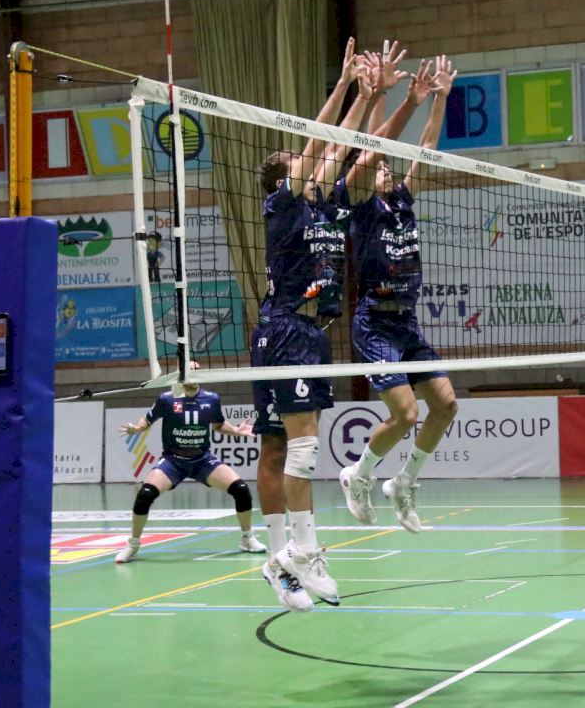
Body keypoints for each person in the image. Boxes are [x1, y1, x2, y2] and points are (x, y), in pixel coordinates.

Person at [252, 40, 375, 612]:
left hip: (302, 331)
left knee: (289, 447)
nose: (314, 165)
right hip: (286, 330)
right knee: (296, 449)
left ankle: (281, 561)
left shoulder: (318, 205)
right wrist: (343, 85)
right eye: (299, 162)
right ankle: (301, 552)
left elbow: (338, 145)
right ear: (286, 178)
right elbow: (319, 140)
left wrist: (366, 96)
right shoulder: (283, 204)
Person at [335, 55, 460, 534]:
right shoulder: (361, 207)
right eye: (380, 165)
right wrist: (383, 96)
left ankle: (403, 482)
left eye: (389, 166)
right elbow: (371, 149)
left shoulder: (403, 200)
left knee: (445, 405)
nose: (385, 169)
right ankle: (358, 474)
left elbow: (426, 147)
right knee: (405, 414)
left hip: (406, 322)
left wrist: (440, 99)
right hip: (374, 323)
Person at [115, 376, 264, 564]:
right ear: (181, 375)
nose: (192, 375)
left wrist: (236, 430)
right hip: (173, 461)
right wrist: (136, 429)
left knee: (241, 489)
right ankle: (133, 544)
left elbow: (218, 424)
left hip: (202, 460)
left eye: (195, 371)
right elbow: (147, 420)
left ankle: (247, 538)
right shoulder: (167, 399)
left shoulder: (212, 399)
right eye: (188, 370)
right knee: (145, 495)